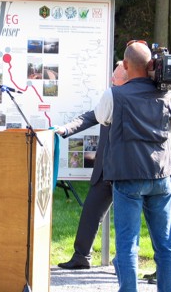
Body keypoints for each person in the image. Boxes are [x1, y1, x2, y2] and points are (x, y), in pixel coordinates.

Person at [95, 40, 171, 292]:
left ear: (125, 65)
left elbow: (102, 117)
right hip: (160, 176)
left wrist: (120, 82)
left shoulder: (115, 94)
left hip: (127, 177)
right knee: (165, 245)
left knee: (127, 245)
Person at [53, 62, 128, 270]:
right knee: (91, 210)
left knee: (131, 219)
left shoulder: (133, 100)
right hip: (105, 169)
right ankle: (81, 256)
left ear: (129, 77)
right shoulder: (112, 98)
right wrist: (65, 129)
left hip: (126, 172)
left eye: (116, 76)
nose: (112, 79)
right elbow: (90, 116)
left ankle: (127, 263)